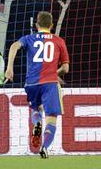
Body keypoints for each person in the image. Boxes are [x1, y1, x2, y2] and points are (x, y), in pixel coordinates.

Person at [5, 11, 69, 158]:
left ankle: (37, 123)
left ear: (36, 25)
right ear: (51, 25)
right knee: (51, 119)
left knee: (36, 109)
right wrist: (54, 72)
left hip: (31, 83)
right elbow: (66, 68)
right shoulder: (59, 41)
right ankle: (44, 148)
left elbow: (14, 46)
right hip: (50, 84)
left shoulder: (29, 38)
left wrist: (9, 68)